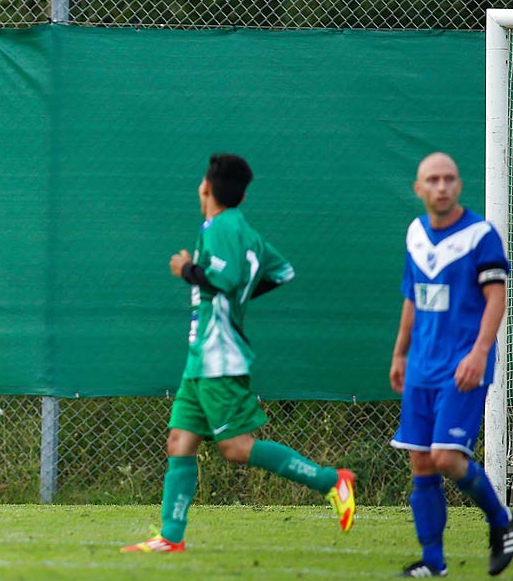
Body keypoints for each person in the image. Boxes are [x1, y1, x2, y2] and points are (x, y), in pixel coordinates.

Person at [124, 153, 356, 554]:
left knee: (236, 448)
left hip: (219, 355)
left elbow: (227, 278)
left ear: (206, 188)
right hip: (201, 356)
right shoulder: (245, 231)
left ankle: (331, 481)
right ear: (244, 194)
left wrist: (187, 270)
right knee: (180, 441)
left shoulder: (220, 227)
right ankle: (170, 537)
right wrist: (239, 297)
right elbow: (282, 272)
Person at [389, 152, 513, 577]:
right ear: (419, 188)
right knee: (422, 462)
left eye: (449, 179)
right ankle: (433, 562)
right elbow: (413, 295)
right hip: (422, 364)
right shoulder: (415, 234)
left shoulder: (481, 235)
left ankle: (501, 520)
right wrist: (401, 352)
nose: (441, 187)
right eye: (433, 179)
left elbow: (496, 298)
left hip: (462, 364)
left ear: (459, 186)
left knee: (445, 456)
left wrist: (480, 351)